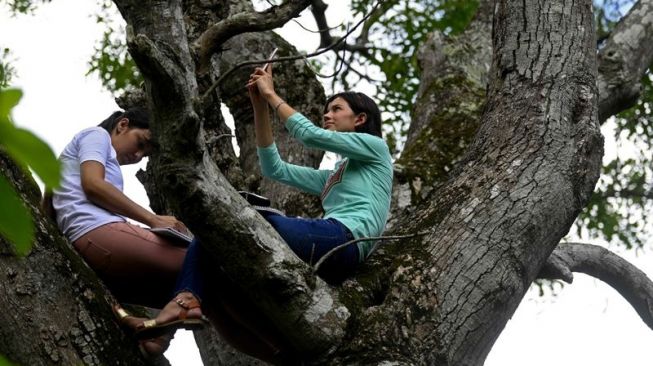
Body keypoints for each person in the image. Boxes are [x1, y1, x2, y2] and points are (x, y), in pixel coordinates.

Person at [48, 108, 207, 356]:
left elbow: (49, 200)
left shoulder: (76, 159)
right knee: (206, 253)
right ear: (123, 125)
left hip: (96, 252)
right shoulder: (96, 136)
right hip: (99, 234)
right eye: (140, 143)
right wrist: (153, 219)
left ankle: (155, 339)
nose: (138, 155)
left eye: (144, 155)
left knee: (198, 286)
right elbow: (93, 185)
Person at [247, 64, 394, 283]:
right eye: (327, 110)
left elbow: (309, 135)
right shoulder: (334, 175)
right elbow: (274, 169)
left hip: (345, 239)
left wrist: (270, 93)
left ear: (360, 118)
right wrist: (260, 107)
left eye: (336, 109)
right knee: (219, 227)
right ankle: (187, 299)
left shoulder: (376, 147)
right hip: (332, 253)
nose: (327, 115)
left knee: (252, 220)